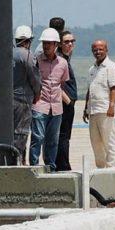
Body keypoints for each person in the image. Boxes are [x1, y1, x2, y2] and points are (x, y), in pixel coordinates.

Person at [29, 29, 72, 173]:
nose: (46, 46)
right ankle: (34, 166)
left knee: (53, 140)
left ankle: (51, 168)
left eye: (49, 43)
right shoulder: (36, 61)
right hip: (40, 104)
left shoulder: (63, 63)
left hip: (56, 107)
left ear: (56, 45)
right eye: (44, 43)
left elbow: (63, 83)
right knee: (37, 137)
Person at [44, 16, 79, 171]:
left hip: (68, 103)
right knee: (62, 136)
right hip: (63, 103)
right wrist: (67, 100)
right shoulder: (59, 60)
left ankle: (62, 162)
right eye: (67, 42)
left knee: (65, 136)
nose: (70, 44)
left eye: (72, 41)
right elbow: (54, 81)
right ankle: (62, 164)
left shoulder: (66, 59)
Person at [85, 38, 115, 169]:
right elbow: (90, 89)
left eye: (100, 49)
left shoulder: (111, 67)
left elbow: (114, 88)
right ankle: (101, 169)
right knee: (96, 143)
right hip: (93, 111)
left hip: (106, 111)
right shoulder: (92, 69)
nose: (97, 52)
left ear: (106, 50)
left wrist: (111, 107)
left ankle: (112, 169)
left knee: (109, 143)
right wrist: (86, 108)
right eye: (95, 50)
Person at [8, 24, 38, 164]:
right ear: (28, 40)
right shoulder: (27, 55)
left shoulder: (7, 53)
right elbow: (35, 78)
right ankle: (18, 161)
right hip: (23, 100)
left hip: (7, 99)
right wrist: (37, 93)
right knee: (21, 132)